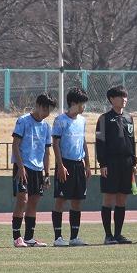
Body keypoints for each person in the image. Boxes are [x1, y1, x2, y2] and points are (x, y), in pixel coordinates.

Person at [12, 93, 56, 247]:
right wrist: (21, 167)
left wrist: (47, 174)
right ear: (37, 105)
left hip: (38, 169)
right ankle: (17, 237)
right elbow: (15, 145)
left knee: (33, 202)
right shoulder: (23, 121)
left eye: (49, 110)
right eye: (44, 109)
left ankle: (29, 238)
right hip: (23, 167)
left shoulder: (46, 127)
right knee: (22, 201)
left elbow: (47, 152)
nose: (46, 113)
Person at [96, 86, 137, 245]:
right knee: (108, 198)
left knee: (122, 199)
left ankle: (118, 234)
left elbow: (132, 140)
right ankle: (108, 235)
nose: (124, 99)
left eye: (125, 96)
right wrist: (102, 163)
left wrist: (134, 162)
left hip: (126, 164)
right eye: (120, 96)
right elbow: (100, 142)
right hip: (111, 163)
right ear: (112, 99)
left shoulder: (129, 118)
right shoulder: (103, 119)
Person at [51, 88, 90, 247]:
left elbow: (83, 142)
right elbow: (55, 143)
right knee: (60, 200)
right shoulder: (60, 120)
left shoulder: (82, 120)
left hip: (78, 165)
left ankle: (74, 237)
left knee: (77, 201)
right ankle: (58, 237)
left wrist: (87, 164)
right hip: (65, 164)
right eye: (82, 103)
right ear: (73, 103)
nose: (84, 107)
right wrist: (60, 165)